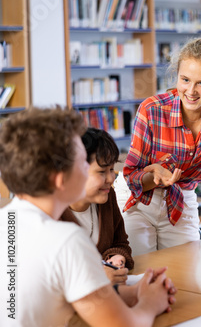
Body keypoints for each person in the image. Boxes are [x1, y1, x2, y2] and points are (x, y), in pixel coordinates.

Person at [0, 107, 176, 327]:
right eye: (83, 162)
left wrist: (131, 294)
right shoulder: (66, 239)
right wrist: (151, 302)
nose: (108, 177)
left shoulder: (7, 220)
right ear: (59, 178)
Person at [115, 36, 201, 256]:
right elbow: (131, 175)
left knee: (185, 270)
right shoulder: (152, 109)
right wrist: (154, 175)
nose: (191, 91)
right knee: (140, 267)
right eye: (185, 80)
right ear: (177, 75)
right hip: (139, 199)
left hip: (182, 196)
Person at [60, 128, 133, 285]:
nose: (110, 178)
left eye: (112, 169)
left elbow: (120, 243)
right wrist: (97, 275)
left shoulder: (107, 197)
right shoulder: (53, 212)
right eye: (101, 172)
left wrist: (116, 258)